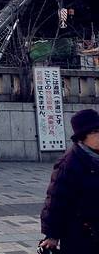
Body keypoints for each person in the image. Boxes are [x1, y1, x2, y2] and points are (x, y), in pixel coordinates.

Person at [40, 108, 99, 253]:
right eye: (95, 131)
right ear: (82, 136)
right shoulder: (69, 163)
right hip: (80, 234)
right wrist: (52, 235)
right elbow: (56, 200)